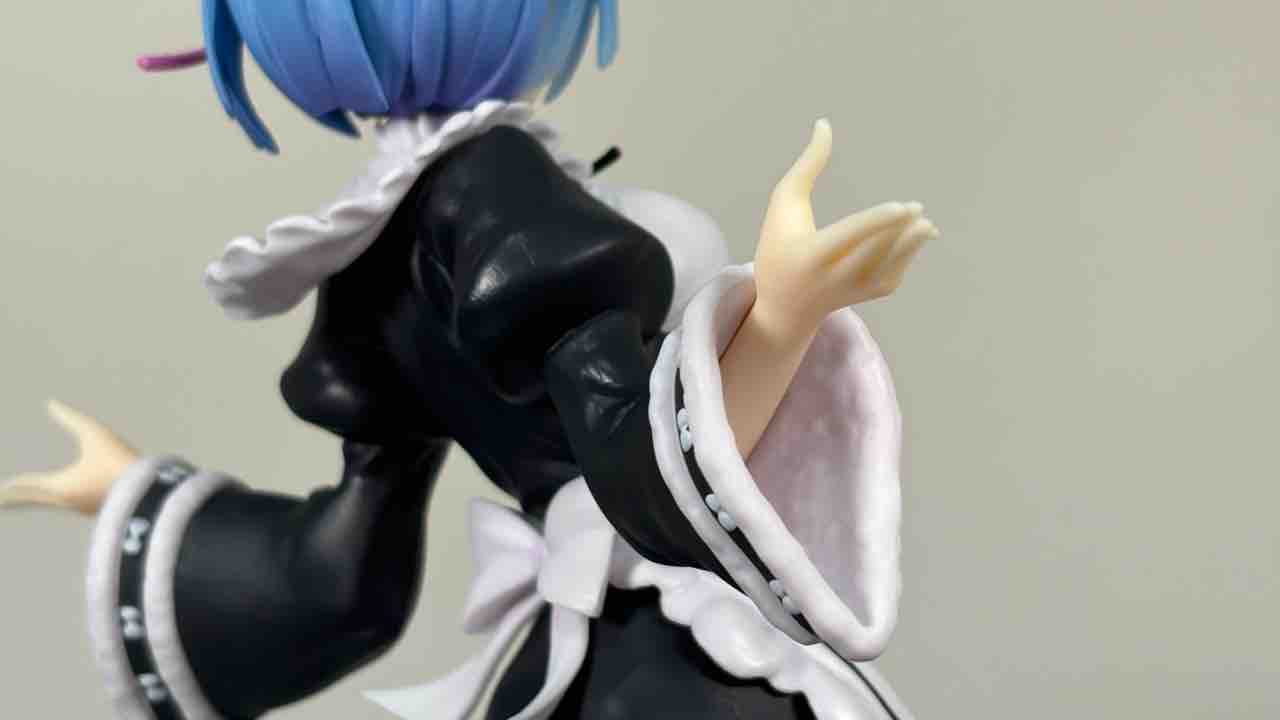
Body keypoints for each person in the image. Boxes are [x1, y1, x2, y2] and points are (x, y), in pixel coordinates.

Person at [1, 2, 936, 718]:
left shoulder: (382, 232)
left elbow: (345, 574)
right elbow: (633, 460)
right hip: (674, 665)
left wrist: (132, 496)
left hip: (594, 659)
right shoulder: (488, 187)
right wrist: (779, 320)